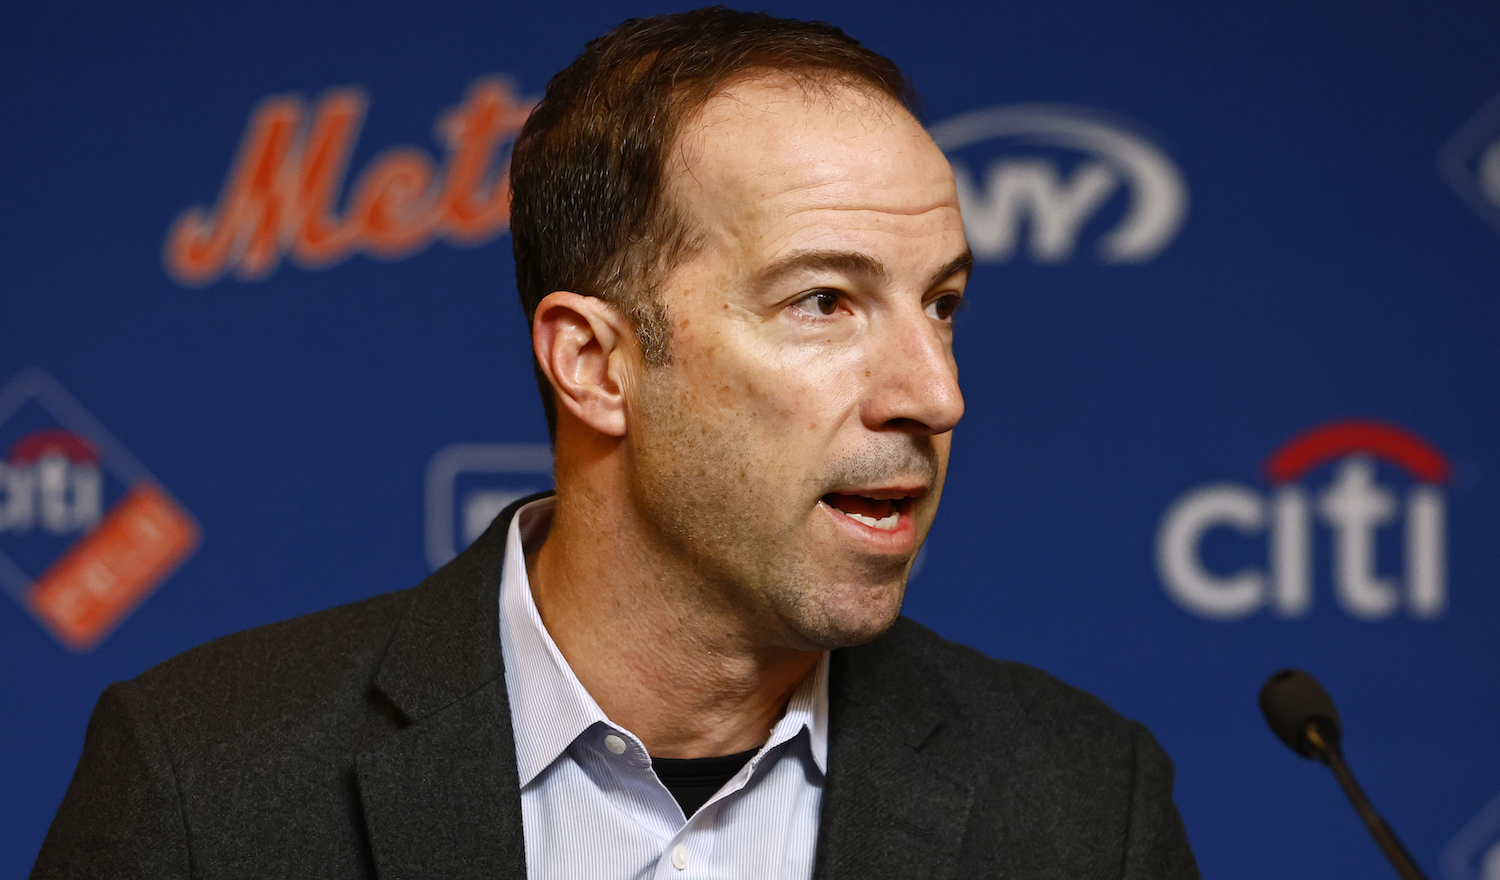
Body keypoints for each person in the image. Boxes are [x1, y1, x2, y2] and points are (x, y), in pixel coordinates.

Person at [33, 8, 1200, 879]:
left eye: (941, 302)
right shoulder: (208, 785)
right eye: (824, 303)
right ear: (595, 363)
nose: (934, 393)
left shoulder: (1085, 810)